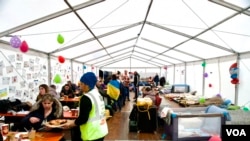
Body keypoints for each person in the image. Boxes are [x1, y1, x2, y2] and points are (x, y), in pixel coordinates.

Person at [62, 72, 108, 141]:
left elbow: (83, 118)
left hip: (91, 133)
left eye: (81, 84)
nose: (80, 86)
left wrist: (71, 124)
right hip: (101, 130)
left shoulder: (86, 97)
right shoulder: (97, 94)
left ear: (87, 85)